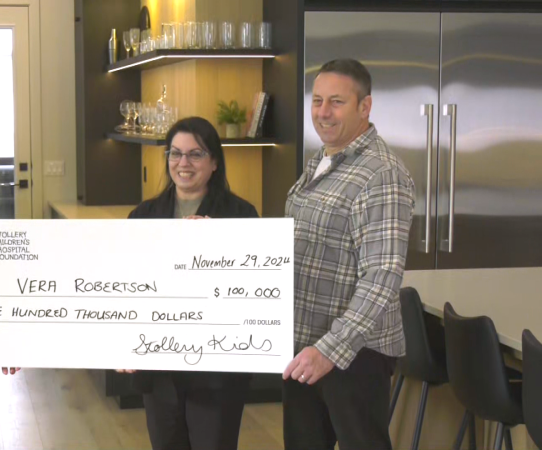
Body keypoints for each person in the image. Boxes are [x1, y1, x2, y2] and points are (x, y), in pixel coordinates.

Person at [282, 59, 415, 449]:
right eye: (318, 100)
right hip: (306, 347)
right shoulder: (323, 161)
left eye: (336, 102)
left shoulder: (381, 174)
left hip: (353, 356)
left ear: (365, 107)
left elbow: (382, 278)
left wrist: (330, 350)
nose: (323, 112)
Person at [121, 116, 258, 450]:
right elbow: (125, 287)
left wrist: (219, 244)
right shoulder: (143, 216)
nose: (183, 163)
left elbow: (256, 290)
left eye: (195, 154)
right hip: (158, 370)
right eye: (175, 153)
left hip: (218, 373)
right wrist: (120, 342)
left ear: (214, 163)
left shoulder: (241, 216)